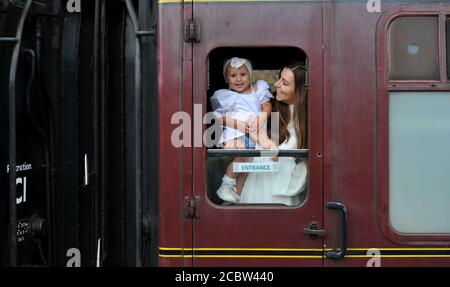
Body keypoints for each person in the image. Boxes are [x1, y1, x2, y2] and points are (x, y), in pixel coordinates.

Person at [239, 62, 308, 206]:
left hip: (281, 192)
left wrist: (263, 141)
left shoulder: (306, 122)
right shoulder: (268, 110)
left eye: (285, 83)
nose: (276, 84)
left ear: (300, 91)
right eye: (279, 78)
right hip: (257, 185)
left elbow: (280, 157)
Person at [211, 57, 273, 204]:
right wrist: (237, 124)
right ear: (226, 79)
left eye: (243, 75)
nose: (238, 79)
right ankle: (226, 183)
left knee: (246, 166)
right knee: (241, 155)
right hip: (235, 133)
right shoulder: (225, 96)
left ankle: (234, 197)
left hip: (254, 135)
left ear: (250, 75)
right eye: (233, 76)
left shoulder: (258, 89)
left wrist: (261, 118)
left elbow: (267, 106)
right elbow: (219, 118)